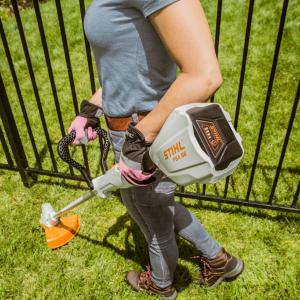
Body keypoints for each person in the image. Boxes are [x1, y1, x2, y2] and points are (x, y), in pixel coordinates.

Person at [68, 0, 244, 298]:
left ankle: (161, 284)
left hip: (147, 131)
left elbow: (205, 75)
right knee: (147, 205)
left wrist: (139, 142)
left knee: (154, 219)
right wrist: (91, 109)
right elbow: (126, 64)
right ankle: (220, 261)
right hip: (129, 130)